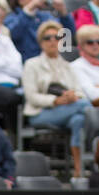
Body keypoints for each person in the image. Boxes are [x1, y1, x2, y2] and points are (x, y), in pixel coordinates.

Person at [22, 21, 90, 180]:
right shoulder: (31, 64)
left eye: (57, 37)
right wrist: (56, 100)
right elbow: (31, 96)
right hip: (41, 112)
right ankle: (97, 151)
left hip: (69, 109)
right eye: (48, 38)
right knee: (86, 107)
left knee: (79, 120)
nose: (53, 41)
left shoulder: (68, 66)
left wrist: (73, 97)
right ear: (41, 42)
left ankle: (78, 170)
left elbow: (80, 92)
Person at [5, 0, 74, 62]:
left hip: (52, 60)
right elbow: (13, 35)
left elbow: (68, 36)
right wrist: (28, 10)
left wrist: (63, 12)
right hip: (27, 63)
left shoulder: (46, 15)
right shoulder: (12, 18)